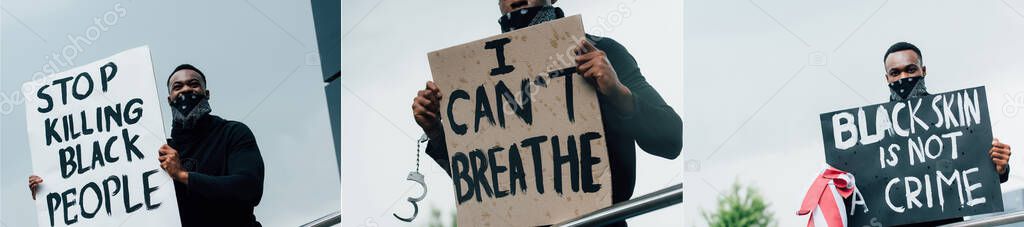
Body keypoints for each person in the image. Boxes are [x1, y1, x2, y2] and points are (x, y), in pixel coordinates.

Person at [411, 1, 682, 226]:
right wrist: (437, 133)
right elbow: (485, 187)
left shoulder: (603, 53)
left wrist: (616, 92)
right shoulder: (477, 77)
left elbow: (671, 139)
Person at [29, 64, 266, 227]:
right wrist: (53, 190)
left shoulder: (233, 133)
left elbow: (248, 188)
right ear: (169, 99)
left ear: (207, 93)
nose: (186, 90)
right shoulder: (156, 150)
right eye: (177, 87)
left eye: (193, 84)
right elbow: (114, 202)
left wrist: (183, 175)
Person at [881, 42, 1012, 226]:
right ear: (887, 78)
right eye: (895, 73)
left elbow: (975, 171)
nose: (904, 78)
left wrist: (1000, 167)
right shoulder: (874, 131)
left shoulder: (952, 115)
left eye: (911, 70)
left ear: (923, 70)